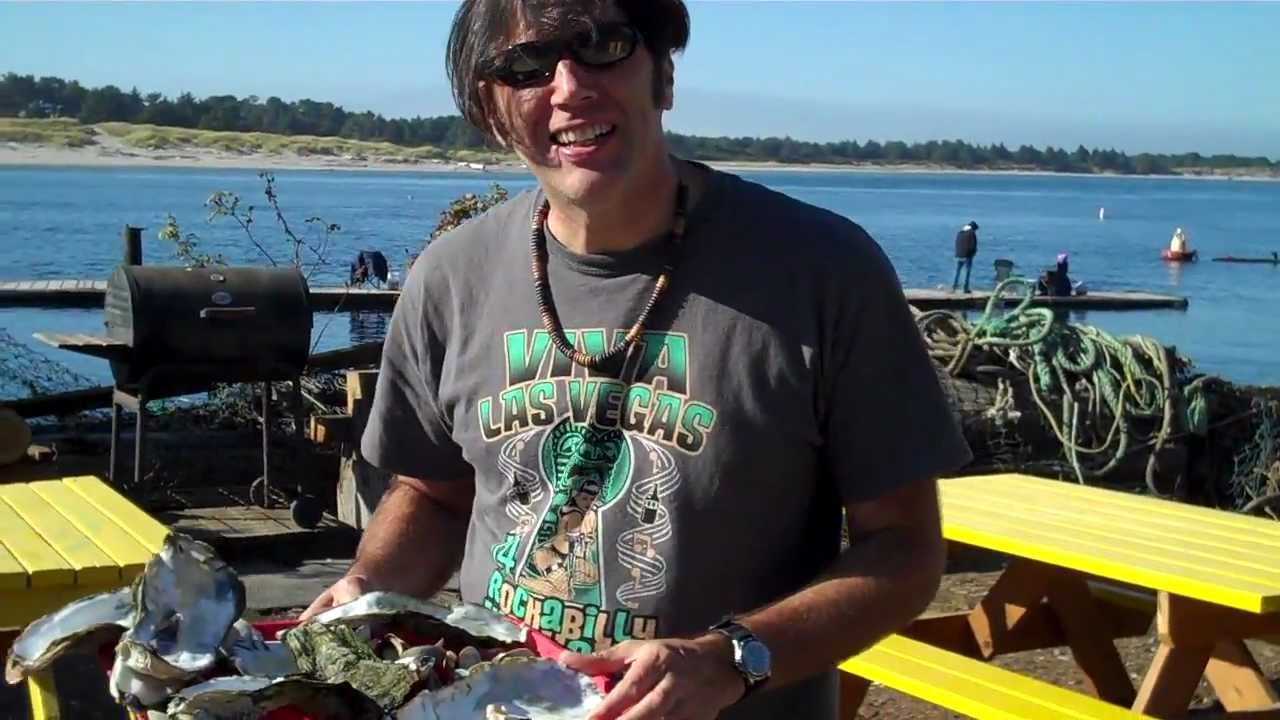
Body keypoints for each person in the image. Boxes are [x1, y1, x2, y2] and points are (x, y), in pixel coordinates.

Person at [302, 2, 971, 719]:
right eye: (525, 65)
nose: (568, 86)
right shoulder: (451, 278)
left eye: (603, 46)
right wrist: (367, 595)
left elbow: (903, 551)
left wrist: (732, 657)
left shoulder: (824, 272)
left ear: (664, 75)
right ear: (491, 111)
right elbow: (435, 496)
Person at [952, 220, 979, 293]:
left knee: (957, 271)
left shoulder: (960, 232)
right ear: (973, 228)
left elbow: (957, 243)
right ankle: (965, 288)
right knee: (967, 272)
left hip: (959, 255)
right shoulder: (971, 233)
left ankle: (954, 287)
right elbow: (973, 246)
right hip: (967, 255)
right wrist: (973, 253)